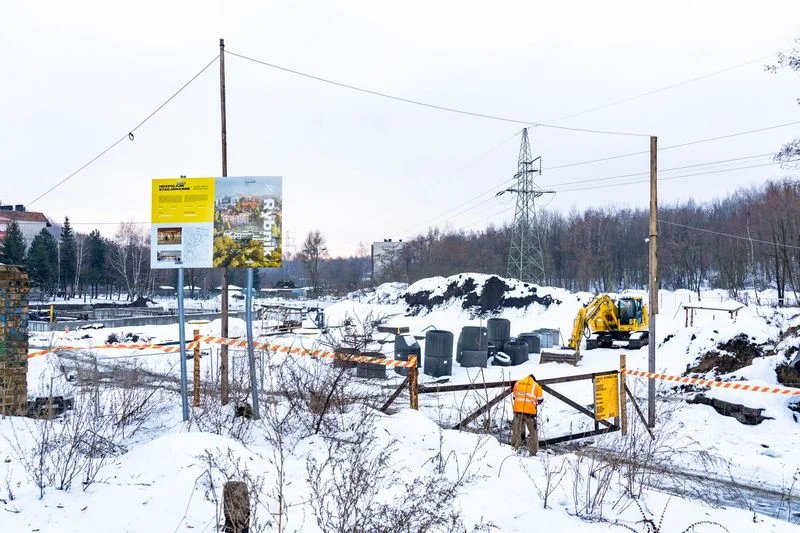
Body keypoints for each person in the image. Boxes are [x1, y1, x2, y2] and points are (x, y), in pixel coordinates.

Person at [511, 373, 544, 455]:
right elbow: (540, 399)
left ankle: (515, 449)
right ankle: (533, 452)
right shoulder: (536, 385)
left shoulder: (518, 383)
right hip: (530, 413)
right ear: (534, 379)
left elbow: (514, 397)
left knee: (516, 431)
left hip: (518, 411)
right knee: (533, 433)